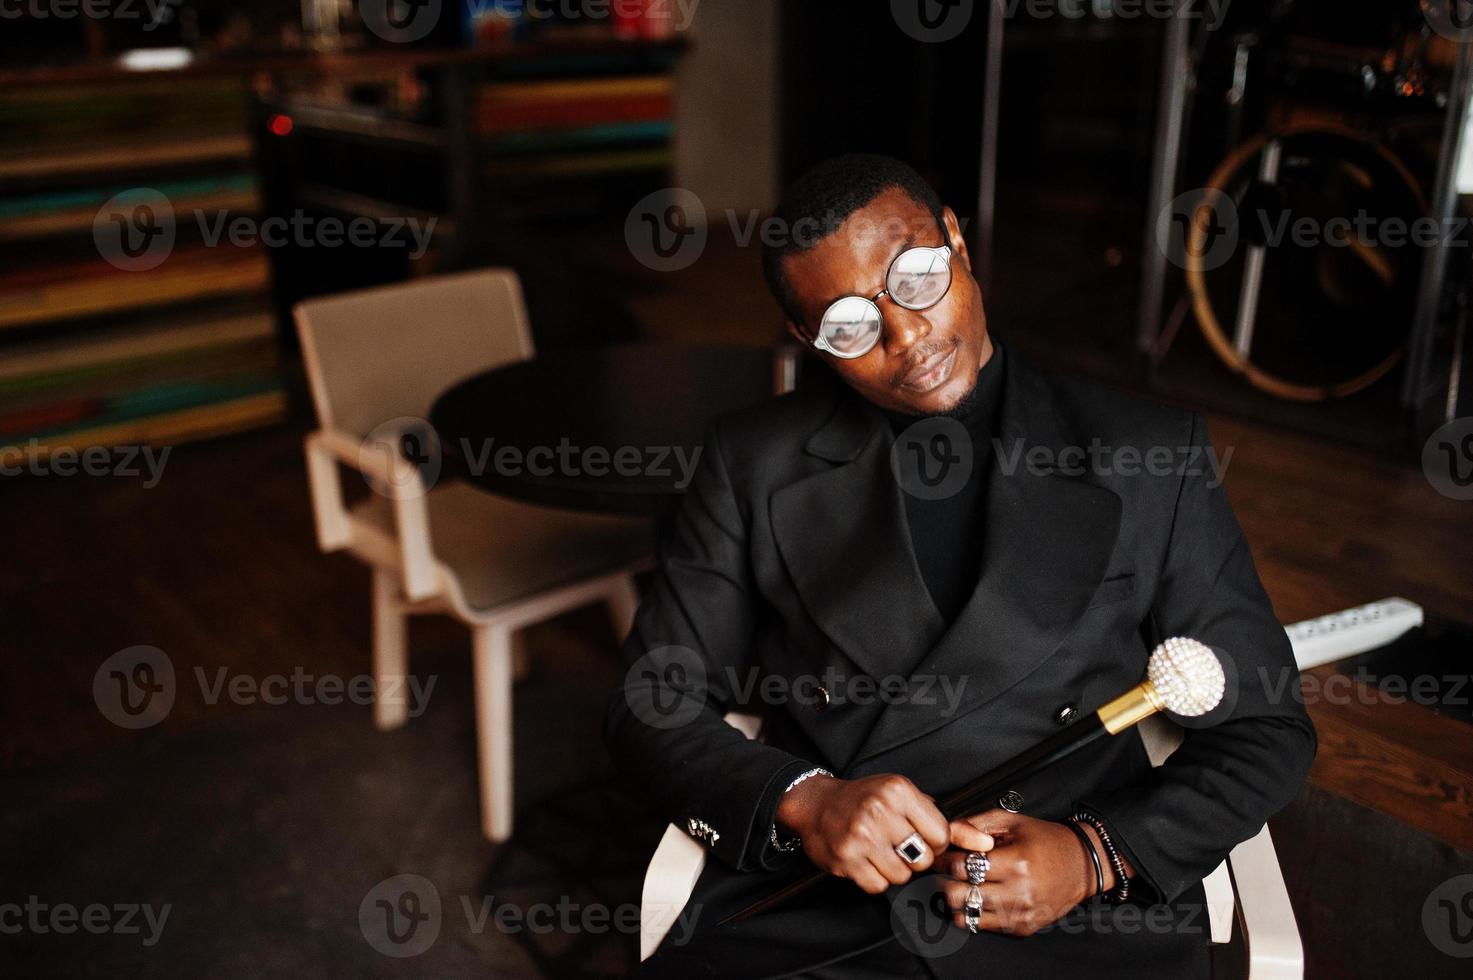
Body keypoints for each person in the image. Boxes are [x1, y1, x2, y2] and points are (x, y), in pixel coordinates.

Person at [604, 154, 1315, 979]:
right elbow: (647, 705)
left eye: (915, 278)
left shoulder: (1147, 454)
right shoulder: (751, 462)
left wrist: (1096, 856)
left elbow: (1267, 726)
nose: (905, 337)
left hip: (1073, 914)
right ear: (807, 339)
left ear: (954, 243)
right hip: (822, 902)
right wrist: (806, 798)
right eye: (847, 323)